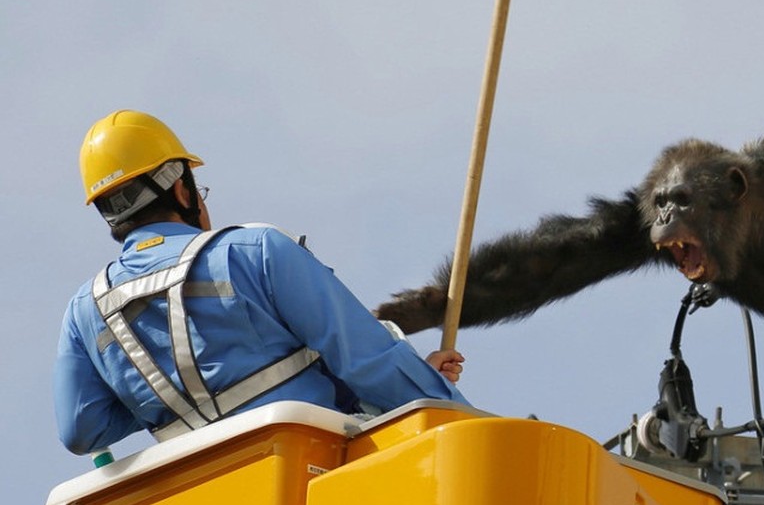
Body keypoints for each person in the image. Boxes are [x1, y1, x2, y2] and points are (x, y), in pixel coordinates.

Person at [54, 109, 467, 455]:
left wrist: (160, 396)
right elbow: (367, 361)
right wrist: (452, 412)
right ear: (182, 189)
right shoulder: (254, 251)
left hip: (202, 500)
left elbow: (82, 429)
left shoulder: (84, 312)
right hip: (308, 471)